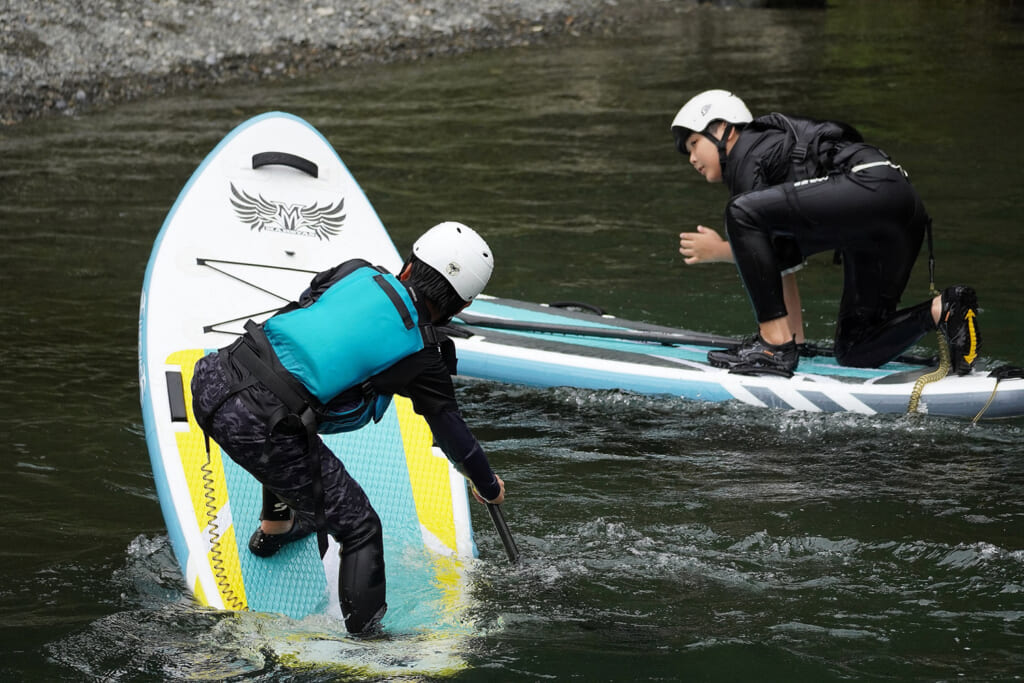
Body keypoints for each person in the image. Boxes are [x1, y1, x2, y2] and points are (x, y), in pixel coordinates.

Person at [190, 221, 506, 634]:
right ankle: (366, 642)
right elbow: (454, 437)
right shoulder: (425, 356)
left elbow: (306, 320)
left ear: (409, 265)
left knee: (300, 402)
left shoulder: (355, 270)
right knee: (360, 528)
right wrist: (487, 485)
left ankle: (277, 525)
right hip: (261, 426)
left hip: (213, 375)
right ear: (460, 308)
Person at [670, 88, 981, 377]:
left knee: (739, 211)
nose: (692, 159)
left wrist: (721, 251)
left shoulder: (748, 150)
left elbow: (754, 233)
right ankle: (945, 309)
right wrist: (794, 341)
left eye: (695, 144)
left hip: (867, 185)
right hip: (901, 207)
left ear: (724, 129)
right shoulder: (766, 157)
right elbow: (778, 260)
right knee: (855, 349)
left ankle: (772, 346)